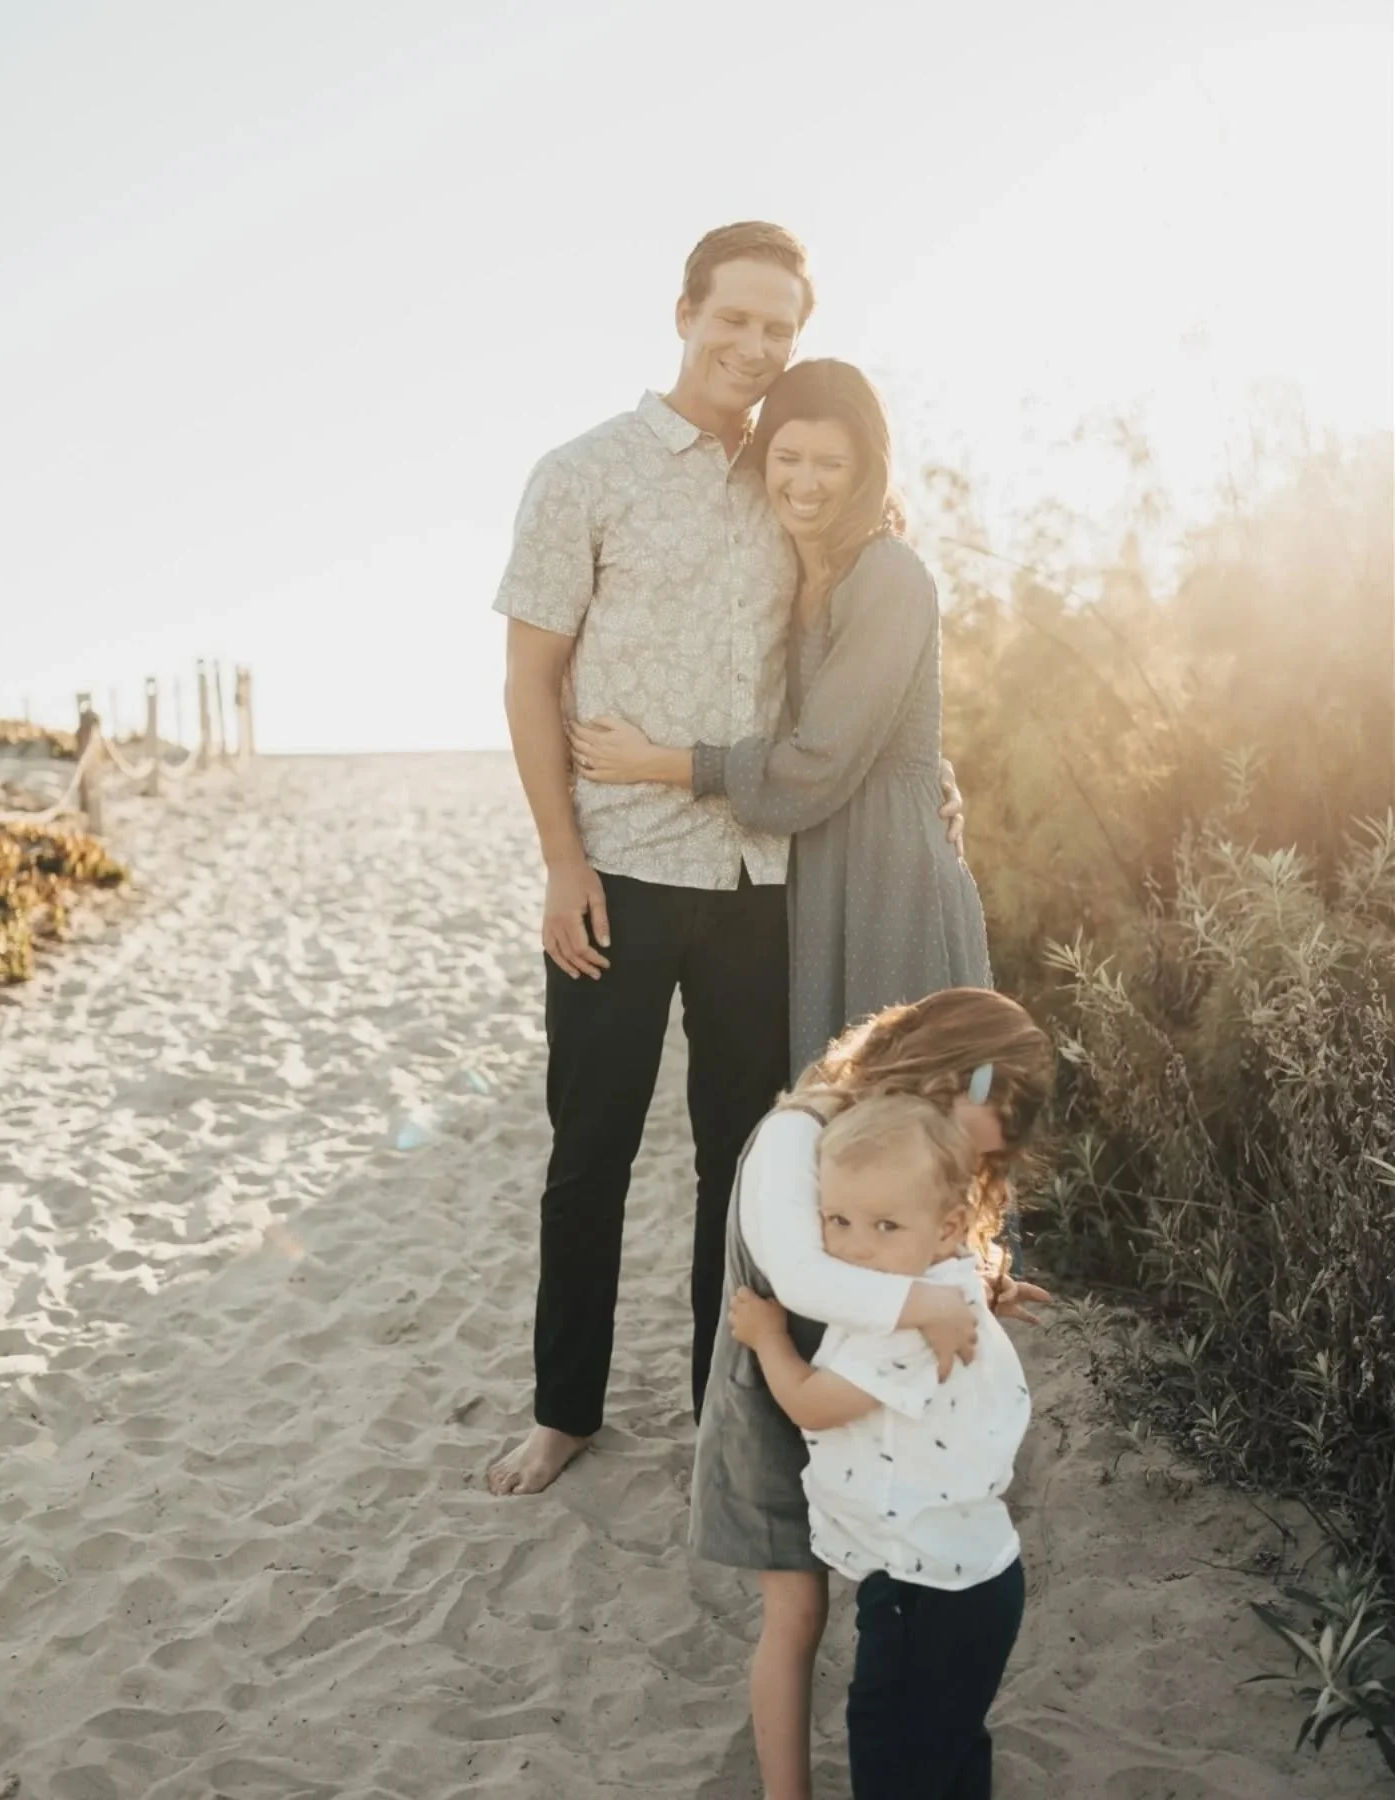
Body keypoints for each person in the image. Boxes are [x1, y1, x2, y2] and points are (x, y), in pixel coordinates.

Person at [487, 224, 963, 1497]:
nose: (754, 348)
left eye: (779, 330)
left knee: (749, 1173)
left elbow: (852, 657)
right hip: (622, 871)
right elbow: (531, 679)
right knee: (586, 1153)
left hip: (766, 887)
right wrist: (559, 860)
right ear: (685, 312)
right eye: (735, 320)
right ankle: (565, 1409)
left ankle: (723, 1409)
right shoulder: (581, 473)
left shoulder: (791, 479)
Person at [570, 357, 989, 1079]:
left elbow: (819, 760)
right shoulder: (795, 567)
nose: (805, 481)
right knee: (829, 1116)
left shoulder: (888, 574)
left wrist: (659, 763)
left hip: (890, 871)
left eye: (831, 463)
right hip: (820, 863)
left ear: (868, 470)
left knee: (902, 1114)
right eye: (788, 457)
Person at [690, 988, 1054, 1800]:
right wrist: (931, 1304)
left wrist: (979, 1285)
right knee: (795, 1613)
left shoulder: (894, 1156)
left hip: (857, 1393)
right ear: (944, 1078)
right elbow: (805, 1273)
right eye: (965, 1140)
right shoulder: (800, 1129)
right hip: (775, 1381)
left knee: (900, 1700)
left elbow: (911, 1221)